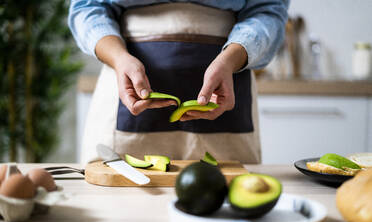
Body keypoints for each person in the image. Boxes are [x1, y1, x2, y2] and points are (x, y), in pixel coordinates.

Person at [68, 0, 289, 165]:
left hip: (229, 84)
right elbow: (87, 7)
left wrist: (230, 60)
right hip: (123, 89)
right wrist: (119, 57)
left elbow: (267, 11)